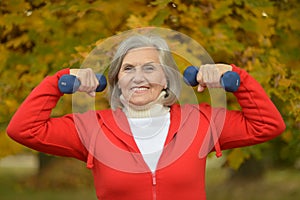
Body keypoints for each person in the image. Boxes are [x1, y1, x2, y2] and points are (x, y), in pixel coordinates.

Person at [7, 33, 285, 200]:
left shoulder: (200, 122)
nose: (138, 78)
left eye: (150, 68)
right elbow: (23, 130)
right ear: (116, 78)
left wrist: (235, 77)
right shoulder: (92, 128)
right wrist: (59, 81)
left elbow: (267, 125)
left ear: (167, 77)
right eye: (128, 69)